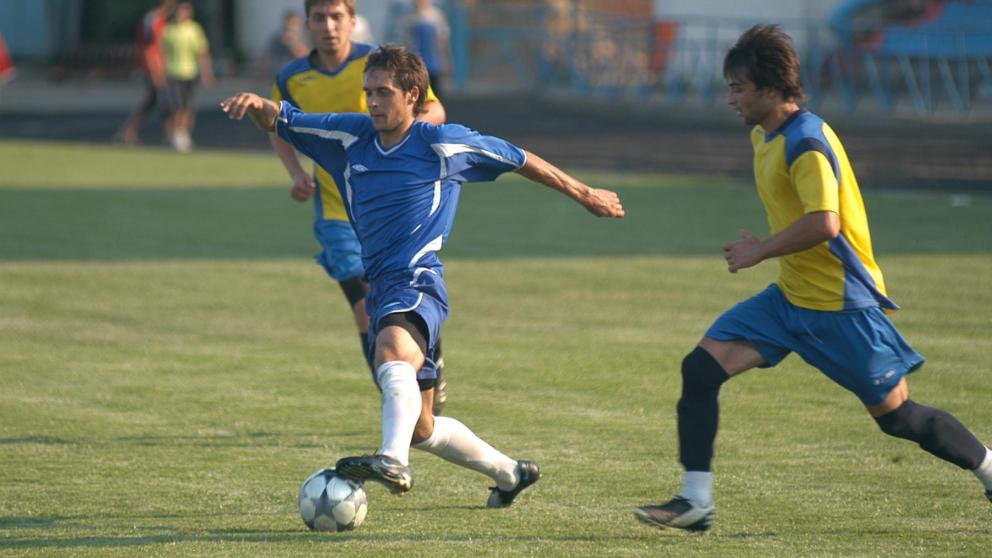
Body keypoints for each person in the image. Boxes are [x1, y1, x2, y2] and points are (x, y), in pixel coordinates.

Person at [221, 45, 624, 506]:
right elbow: (282, 120)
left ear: (413, 94)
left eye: (384, 93)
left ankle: (391, 460)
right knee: (422, 427)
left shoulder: (441, 143)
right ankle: (510, 473)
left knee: (389, 351)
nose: (372, 102)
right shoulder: (350, 138)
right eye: (368, 92)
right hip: (382, 287)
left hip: (417, 282)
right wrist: (256, 105)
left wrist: (584, 192)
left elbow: (518, 157)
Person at [634, 24, 992, 533]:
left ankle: (991, 470)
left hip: (841, 307)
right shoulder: (764, 135)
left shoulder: (806, 142)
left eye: (738, 87)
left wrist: (761, 249)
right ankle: (695, 502)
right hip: (789, 301)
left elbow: (826, 223)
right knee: (700, 370)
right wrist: (769, 250)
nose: (730, 98)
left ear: (771, 88)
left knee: (899, 419)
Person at [268, 0, 449, 413]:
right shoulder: (293, 76)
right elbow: (278, 123)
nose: (329, 27)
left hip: (386, 211)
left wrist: (404, 145)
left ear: (352, 21)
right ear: (308, 23)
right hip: (335, 209)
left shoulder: (380, 64)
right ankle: (396, 397)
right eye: (319, 18)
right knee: (365, 308)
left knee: (385, 305)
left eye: (337, 17)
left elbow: (433, 109)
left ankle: (421, 362)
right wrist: (296, 171)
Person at [114, 0, 175, 146]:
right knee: (161, 101)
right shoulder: (151, 19)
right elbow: (149, 47)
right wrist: (155, 70)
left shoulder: (163, 20)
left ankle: (129, 131)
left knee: (155, 101)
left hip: (162, 67)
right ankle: (168, 134)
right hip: (153, 67)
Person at [162, 1, 214, 152]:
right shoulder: (169, 30)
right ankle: (175, 134)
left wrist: (206, 73)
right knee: (176, 106)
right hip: (173, 72)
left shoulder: (194, 29)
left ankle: (184, 134)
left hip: (190, 72)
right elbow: (163, 53)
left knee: (188, 106)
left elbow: (202, 53)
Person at [404, 0, 452, 99]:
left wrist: (446, 60)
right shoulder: (410, 17)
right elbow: (406, 42)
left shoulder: (436, 16)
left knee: (435, 94)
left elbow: (442, 39)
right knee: (419, 95)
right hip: (416, 64)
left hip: (433, 63)